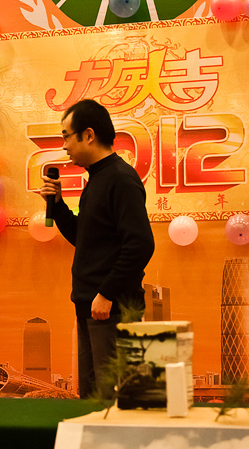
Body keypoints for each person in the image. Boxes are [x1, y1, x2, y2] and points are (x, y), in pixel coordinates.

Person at [39, 99, 155, 398]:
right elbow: (86, 238)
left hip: (112, 310)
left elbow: (141, 244)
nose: (64, 145)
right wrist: (58, 205)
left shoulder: (120, 178)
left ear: (88, 135)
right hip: (91, 307)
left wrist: (107, 293)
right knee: (92, 398)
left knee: (112, 399)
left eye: (67, 136)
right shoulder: (97, 178)